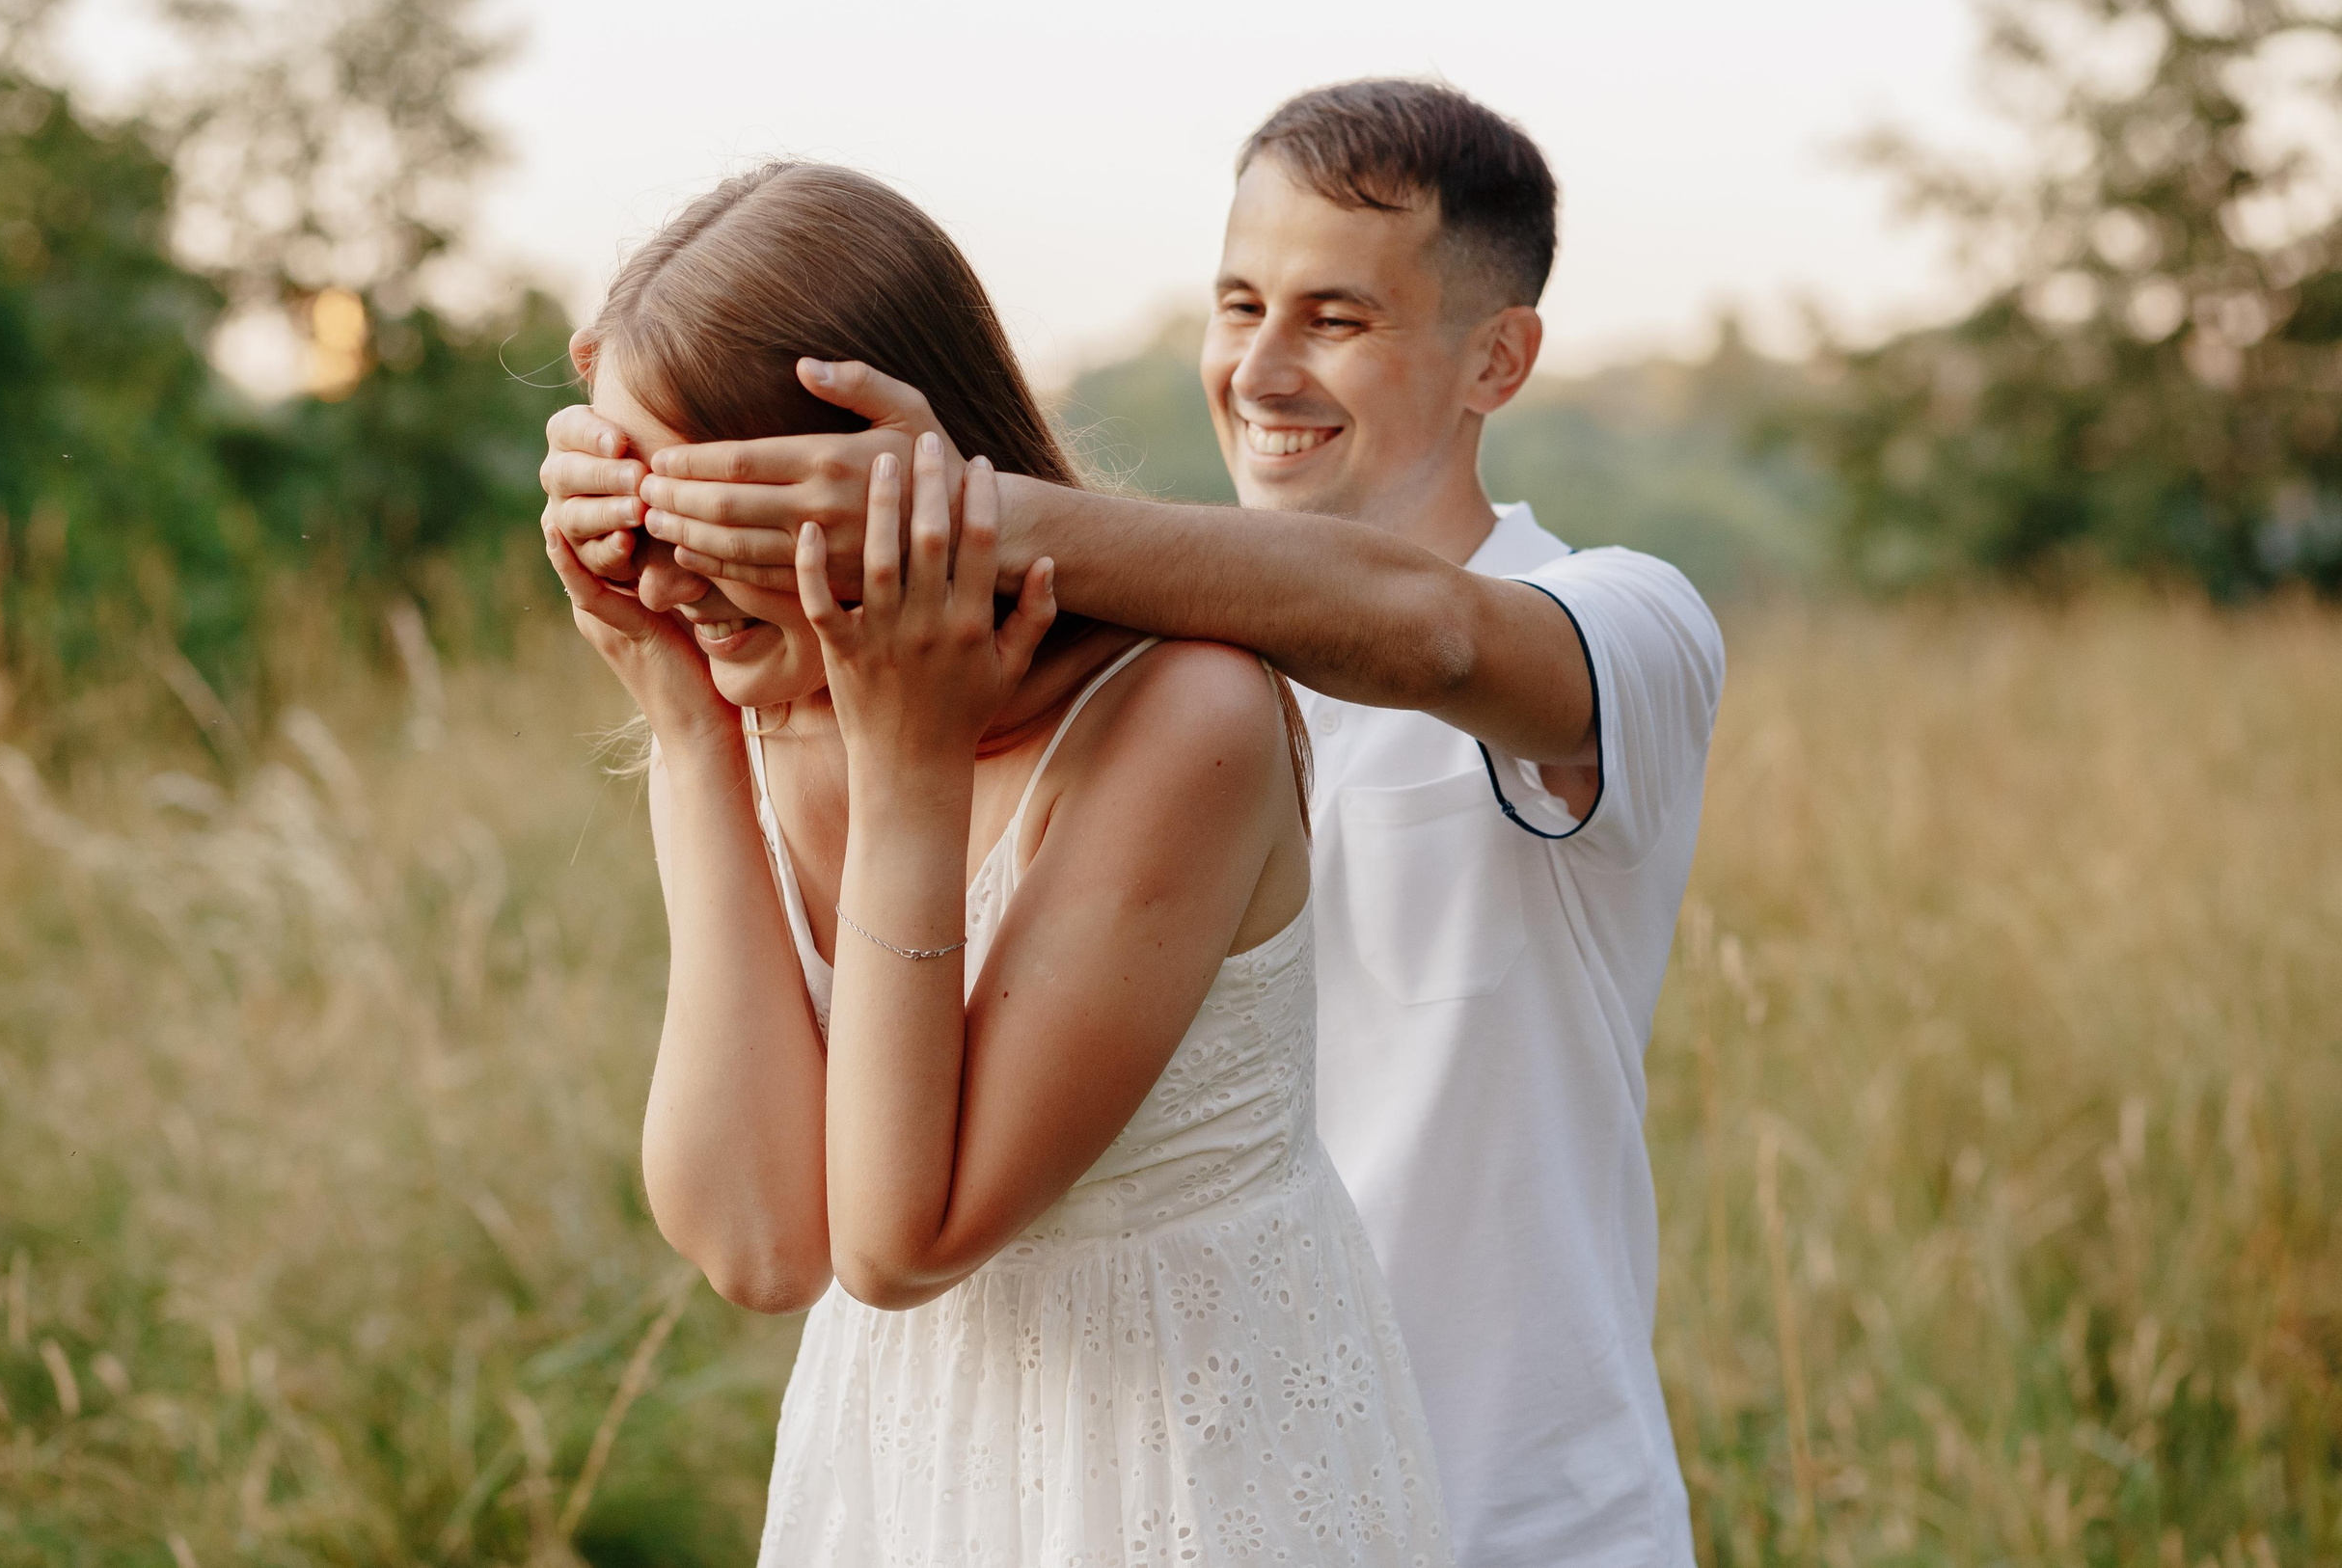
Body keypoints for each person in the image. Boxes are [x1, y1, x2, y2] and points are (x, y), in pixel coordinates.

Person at [545, 79, 1726, 1566]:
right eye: (1238, 304)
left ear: (1500, 357)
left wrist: (955, 522)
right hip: (998, 1480)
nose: (1262, 367)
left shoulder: (1621, 623)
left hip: (1496, 1498)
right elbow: (771, 1239)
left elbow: (1424, 634)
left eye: (1337, 318)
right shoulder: (901, 691)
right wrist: (702, 686)